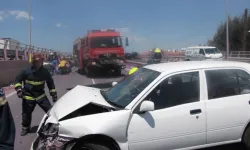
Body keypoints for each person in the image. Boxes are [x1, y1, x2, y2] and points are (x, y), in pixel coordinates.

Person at [14, 53, 57, 136]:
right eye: (37, 62)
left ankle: (53, 125)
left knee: (50, 111)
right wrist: (19, 90)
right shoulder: (26, 71)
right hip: (28, 95)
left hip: (40, 95)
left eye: (40, 61)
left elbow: (50, 83)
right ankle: (25, 128)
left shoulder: (45, 72)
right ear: (33, 62)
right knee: (26, 114)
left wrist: (53, 94)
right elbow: (17, 80)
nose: (39, 63)